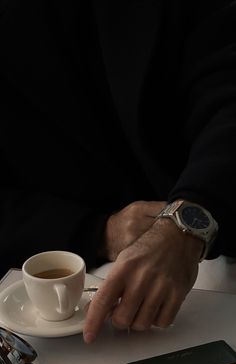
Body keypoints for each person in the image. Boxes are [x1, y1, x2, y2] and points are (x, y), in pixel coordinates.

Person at [0, 0, 236, 344]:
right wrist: (100, 232)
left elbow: (227, 87)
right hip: (50, 280)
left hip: (215, 233)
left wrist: (188, 220)